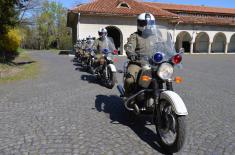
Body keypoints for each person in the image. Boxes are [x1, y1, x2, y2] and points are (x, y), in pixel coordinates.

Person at [124, 12, 156, 96]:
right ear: (139, 24)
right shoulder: (135, 36)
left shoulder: (155, 36)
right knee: (129, 80)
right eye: (144, 23)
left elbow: (162, 46)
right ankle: (127, 95)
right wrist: (131, 53)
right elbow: (129, 46)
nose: (147, 25)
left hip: (153, 64)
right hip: (138, 63)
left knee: (164, 76)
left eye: (149, 23)